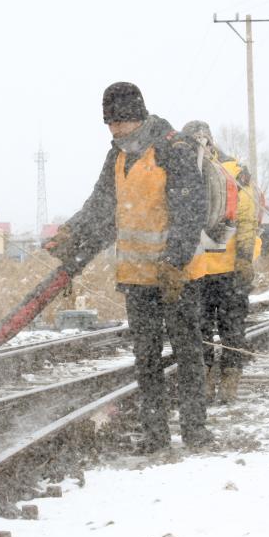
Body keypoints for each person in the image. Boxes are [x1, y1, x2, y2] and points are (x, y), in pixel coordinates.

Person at [45, 82, 212, 452]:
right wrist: (71, 231)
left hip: (176, 276)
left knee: (187, 354)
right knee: (146, 358)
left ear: (139, 117)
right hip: (137, 278)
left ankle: (196, 432)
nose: (115, 130)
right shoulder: (117, 157)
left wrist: (174, 261)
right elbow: (100, 206)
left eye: (121, 122)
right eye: (110, 124)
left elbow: (190, 211)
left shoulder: (173, 149)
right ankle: (155, 435)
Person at [182, 121, 261, 405]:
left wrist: (243, 257)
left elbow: (248, 218)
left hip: (228, 270)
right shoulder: (180, 173)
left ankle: (228, 382)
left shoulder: (235, 172)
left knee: (231, 330)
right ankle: (203, 383)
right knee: (199, 330)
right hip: (196, 271)